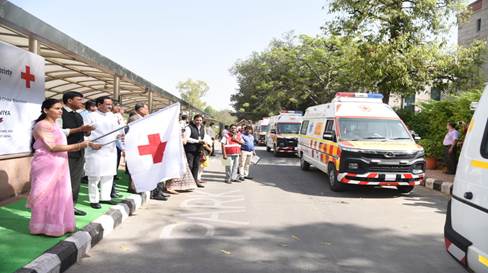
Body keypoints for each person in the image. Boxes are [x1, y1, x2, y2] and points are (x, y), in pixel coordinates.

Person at [29, 99, 99, 237]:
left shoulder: (55, 124)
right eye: (56, 108)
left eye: (61, 108)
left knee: (59, 195)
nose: (60, 111)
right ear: (45, 110)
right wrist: (80, 145)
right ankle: (40, 227)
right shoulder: (42, 125)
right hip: (46, 165)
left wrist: (82, 132)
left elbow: (64, 133)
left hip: (60, 162)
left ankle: (57, 225)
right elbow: (53, 147)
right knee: (44, 195)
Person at [59, 92, 96, 216]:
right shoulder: (60, 114)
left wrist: (87, 132)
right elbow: (58, 132)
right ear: (69, 101)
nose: (82, 102)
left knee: (75, 181)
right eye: (79, 100)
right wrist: (80, 129)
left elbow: (82, 132)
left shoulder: (79, 116)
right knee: (64, 181)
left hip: (79, 152)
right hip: (65, 152)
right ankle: (60, 207)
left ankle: (71, 206)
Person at [83, 96, 121, 209]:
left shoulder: (113, 116)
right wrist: (89, 143)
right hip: (95, 150)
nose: (110, 106)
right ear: (99, 105)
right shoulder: (90, 116)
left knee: (108, 175)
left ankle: (105, 197)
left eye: (111, 104)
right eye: (107, 104)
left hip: (110, 149)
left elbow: (118, 129)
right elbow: (83, 132)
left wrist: (119, 135)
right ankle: (94, 199)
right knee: (94, 176)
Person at [183, 114, 206, 187]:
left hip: (198, 149)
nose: (198, 122)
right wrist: (197, 141)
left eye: (200, 120)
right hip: (190, 149)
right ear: (194, 120)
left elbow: (204, 136)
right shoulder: (189, 127)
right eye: (197, 120)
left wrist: (204, 142)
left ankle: (195, 181)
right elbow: (186, 138)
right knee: (190, 166)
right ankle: (187, 182)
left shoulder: (202, 128)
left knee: (196, 166)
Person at [111, 101, 125, 198]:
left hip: (118, 145)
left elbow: (121, 131)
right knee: (111, 169)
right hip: (113, 145)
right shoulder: (112, 117)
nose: (119, 108)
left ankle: (112, 189)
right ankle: (111, 190)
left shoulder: (118, 116)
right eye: (117, 106)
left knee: (113, 169)